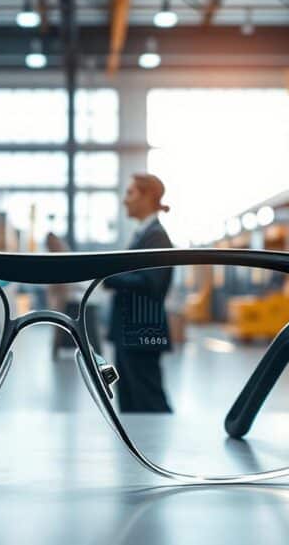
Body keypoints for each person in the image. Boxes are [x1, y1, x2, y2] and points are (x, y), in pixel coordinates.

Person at [102, 173, 174, 413]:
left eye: (131, 193)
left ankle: (154, 448)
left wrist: (108, 276)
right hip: (131, 330)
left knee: (148, 398)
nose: (125, 200)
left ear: (148, 196)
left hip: (142, 328)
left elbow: (151, 282)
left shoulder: (157, 237)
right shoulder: (144, 234)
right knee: (132, 398)